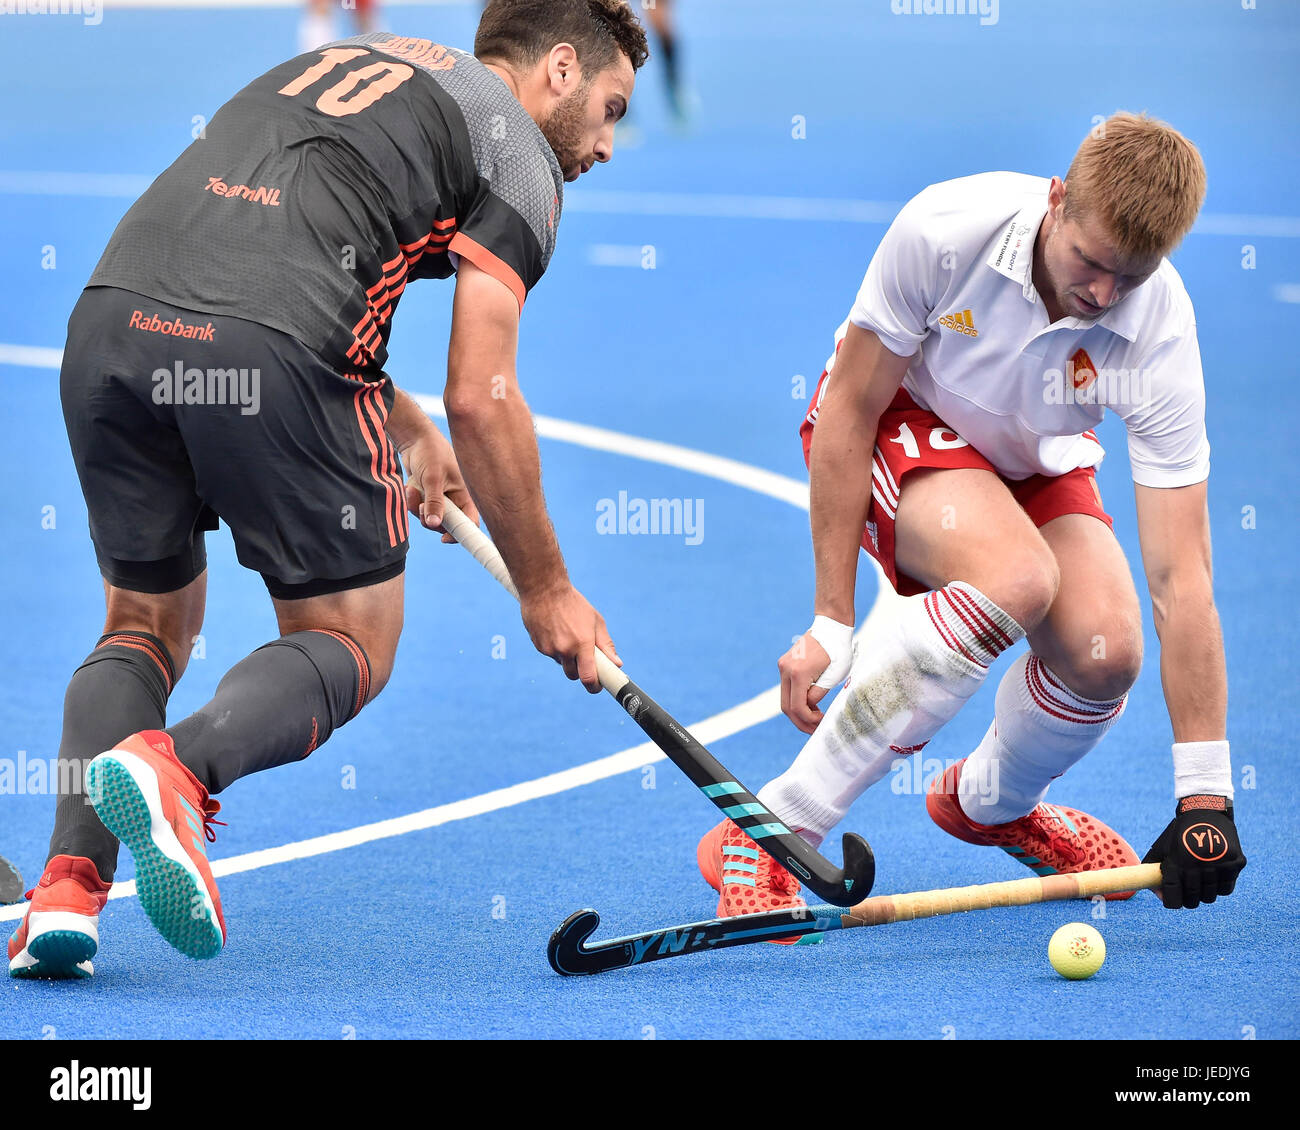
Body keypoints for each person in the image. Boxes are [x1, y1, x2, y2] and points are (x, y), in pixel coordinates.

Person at [9, 0, 648, 980]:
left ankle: (62, 892)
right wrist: (547, 588)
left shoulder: (368, 58)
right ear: (558, 67)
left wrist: (397, 416)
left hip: (111, 326)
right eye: (608, 108)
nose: (607, 144)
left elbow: (273, 241)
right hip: (273, 349)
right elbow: (484, 395)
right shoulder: (515, 152)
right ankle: (175, 766)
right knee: (350, 636)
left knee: (142, 624)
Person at [697, 113, 1246, 936]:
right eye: (1088, 262)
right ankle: (772, 829)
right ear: (1056, 202)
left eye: (1126, 279)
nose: (1101, 294)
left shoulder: (1159, 329)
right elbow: (850, 407)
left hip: (1031, 460)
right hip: (897, 419)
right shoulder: (945, 229)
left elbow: (1183, 575)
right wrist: (831, 620)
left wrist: (1206, 792)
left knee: (1108, 652)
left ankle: (992, 805)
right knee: (1019, 577)